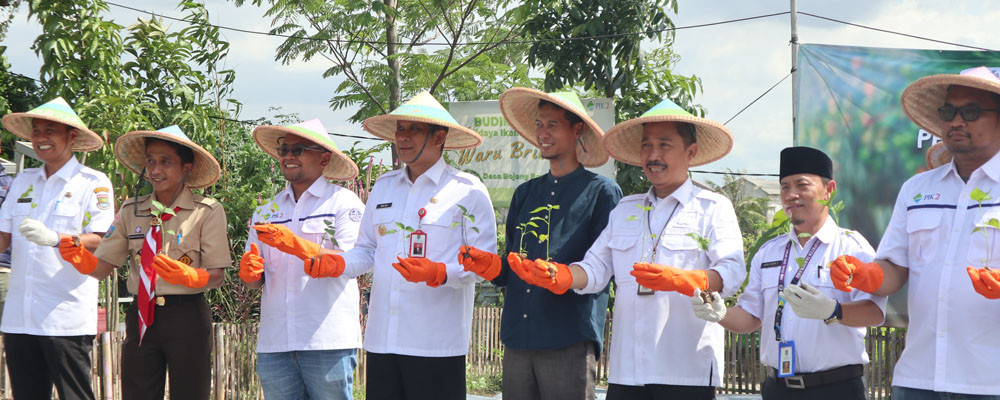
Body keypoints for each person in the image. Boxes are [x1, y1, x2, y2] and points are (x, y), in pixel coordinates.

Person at [516, 98, 744, 399]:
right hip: (628, 370)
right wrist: (561, 276)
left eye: (665, 145)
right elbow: (595, 268)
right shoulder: (626, 208)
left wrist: (690, 280)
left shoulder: (713, 207)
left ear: (691, 152)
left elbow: (732, 270)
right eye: (646, 146)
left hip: (686, 369)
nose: (653, 155)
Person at [313, 91, 496, 400]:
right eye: (400, 129)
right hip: (384, 339)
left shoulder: (467, 192)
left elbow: (484, 264)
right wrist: (338, 263)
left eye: (414, 129)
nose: (404, 137)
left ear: (439, 137)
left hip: (435, 343)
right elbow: (367, 250)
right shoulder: (384, 186)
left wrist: (440, 272)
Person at [831, 66, 1000, 398]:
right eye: (948, 112)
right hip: (918, 377)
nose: (956, 121)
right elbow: (894, 268)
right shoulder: (917, 189)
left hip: (990, 380)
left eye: (971, 111)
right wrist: (865, 274)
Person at [459, 88, 621, 400]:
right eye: (539, 124)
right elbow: (513, 268)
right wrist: (492, 267)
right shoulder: (525, 193)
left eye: (553, 125)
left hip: (568, 337)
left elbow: (605, 268)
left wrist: (564, 276)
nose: (543, 133)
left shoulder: (602, 193)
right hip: (519, 337)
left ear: (577, 130)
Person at [691, 146, 887, 399]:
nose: (791, 194)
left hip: (836, 389)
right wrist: (720, 313)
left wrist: (834, 311)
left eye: (801, 185)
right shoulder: (769, 252)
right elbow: (751, 317)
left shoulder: (852, 247)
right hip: (778, 389)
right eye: (784, 187)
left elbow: (874, 312)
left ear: (829, 191)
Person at [61, 125, 230, 399]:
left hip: (186, 315)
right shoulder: (132, 210)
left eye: (165, 162)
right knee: (137, 392)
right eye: (150, 161)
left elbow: (217, 275)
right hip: (141, 317)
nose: (155, 169)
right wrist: (80, 259)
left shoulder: (206, 212)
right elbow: (104, 266)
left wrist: (192, 278)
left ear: (186, 167)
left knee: (190, 393)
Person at [241, 119, 364, 399]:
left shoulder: (344, 203)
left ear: (324, 158)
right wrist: (249, 275)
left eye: (298, 150)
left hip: (326, 340)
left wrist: (300, 247)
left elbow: (357, 260)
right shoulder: (266, 211)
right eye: (283, 150)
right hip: (275, 341)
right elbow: (254, 280)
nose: (288, 157)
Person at [0, 97, 113, 400]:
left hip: (65, 315)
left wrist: (56, 238)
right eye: (36, 131)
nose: (41, 138)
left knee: (74, 396)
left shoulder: (93, 183)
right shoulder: (23, 181)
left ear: (71, 136)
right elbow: (3, 239)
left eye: (50, 130)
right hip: (19, 317)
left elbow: (103, 239)